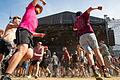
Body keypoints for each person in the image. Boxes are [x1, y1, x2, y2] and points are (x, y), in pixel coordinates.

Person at [1, 0, 46, 80]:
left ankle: (9, 61)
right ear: (35, 7)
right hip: (23, 30)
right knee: (23, 49)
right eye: (38, 7)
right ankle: (7, 75)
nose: (39, 10)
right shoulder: (30, 8)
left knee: (29, 54)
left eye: (40, 9)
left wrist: (39, 34)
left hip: (29, 34)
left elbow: (32, 32)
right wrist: (42, 1)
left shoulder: (36, 21)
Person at [73, 6, 107, 80]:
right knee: (97, 52)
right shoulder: (83, 16)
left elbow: (74, 28)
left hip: (81, 38)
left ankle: (94, 70)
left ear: (76, 16)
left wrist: (78, 27)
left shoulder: (76, 21)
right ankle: (104, 71)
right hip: (89, 34)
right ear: (81, 14)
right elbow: (90, 8)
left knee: (89, 54)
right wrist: (97, 8)